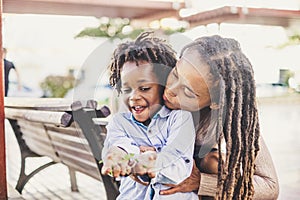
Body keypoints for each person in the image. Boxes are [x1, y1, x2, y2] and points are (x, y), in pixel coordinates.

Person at [159, 35, 279, 199]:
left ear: (216, 103)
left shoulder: (231, 118)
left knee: (214, 163)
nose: (171, 90)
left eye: (187, 92)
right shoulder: (147, 87)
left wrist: (202, 182)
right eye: (175, 73)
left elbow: (270, 186)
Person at [101, 32, 198, 199]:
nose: (133, 97)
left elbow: (180, 166)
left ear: (164, 86)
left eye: (144, 88)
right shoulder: (119, 123)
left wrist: (150, 161)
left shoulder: (180, 119)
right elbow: (119, 145)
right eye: (126, 90)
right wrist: (119, 154)